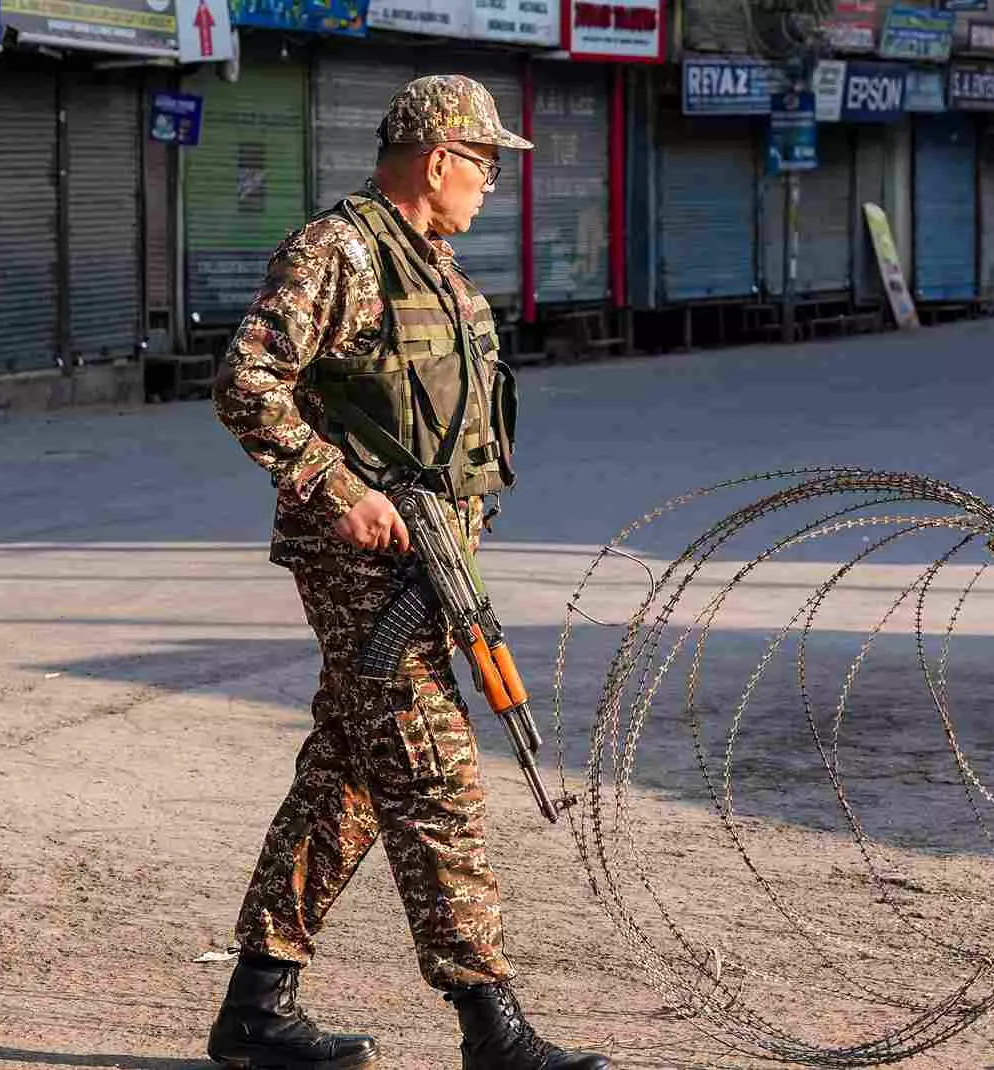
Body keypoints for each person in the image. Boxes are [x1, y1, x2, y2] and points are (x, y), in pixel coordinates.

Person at [208, 74, 612, 1070]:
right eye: (482, 165)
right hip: (363, 563)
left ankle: (257, 1004)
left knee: (348, 777)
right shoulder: (340, 249)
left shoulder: (442, 271)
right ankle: (490, 1022)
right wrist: (344, 494)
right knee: (436, 773)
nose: (489, 186)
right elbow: (246, 381)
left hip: (436, 558)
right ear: (439, 159)